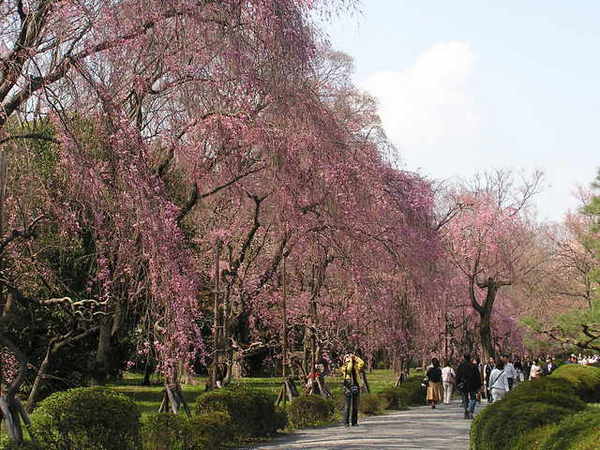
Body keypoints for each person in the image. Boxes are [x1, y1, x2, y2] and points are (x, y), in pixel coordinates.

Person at [456, 353, 482, 419]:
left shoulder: (461, 366)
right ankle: (470, 411)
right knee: (473, 398)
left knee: (465, 398)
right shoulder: (474, 366)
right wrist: (479, 385)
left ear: (464, 357)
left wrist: (457, 384)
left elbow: (458, 376)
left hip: (464, 384)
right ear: (470, 358)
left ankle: (466, 411)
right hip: (473, 385)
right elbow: (478, 376)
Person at [341, 353, 364, 427]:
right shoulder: (344, 367)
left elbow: (362, 363)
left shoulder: (356, 366)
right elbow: (349, 369)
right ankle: (346, 422)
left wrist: (355, 358)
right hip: (348, 385)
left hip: (355, 385)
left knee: (355, 405)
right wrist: (349, 360)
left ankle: (354, 422)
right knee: (347, 405)